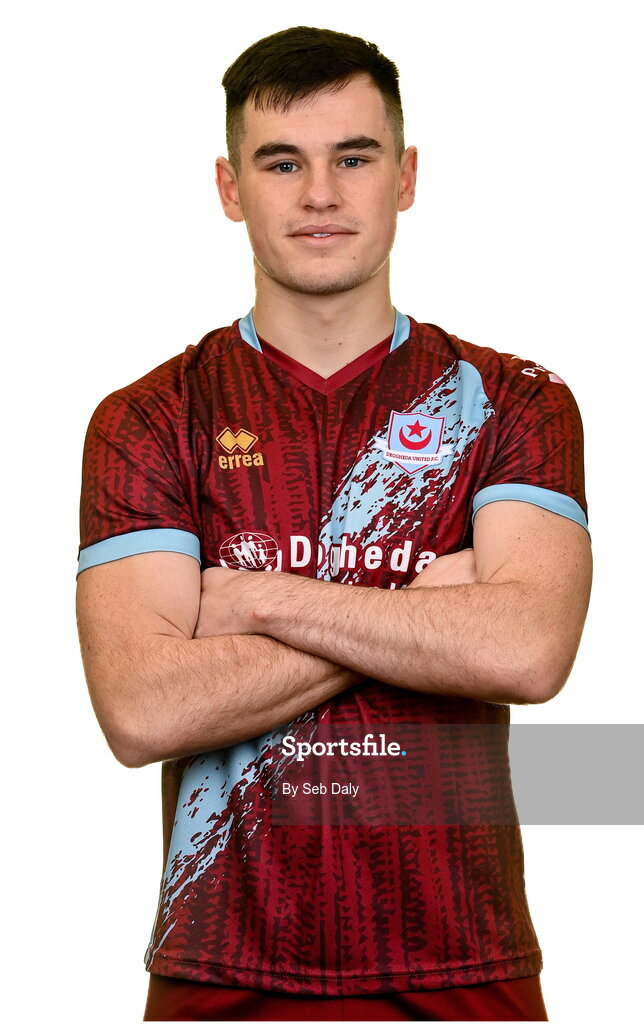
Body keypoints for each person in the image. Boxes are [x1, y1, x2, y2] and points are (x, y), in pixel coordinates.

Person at [76, 25, 591, 1023]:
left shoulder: (516, 402)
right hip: (221, 972)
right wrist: (430, 612)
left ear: (403, 176)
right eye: (283, 162)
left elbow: (527, 650)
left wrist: (257, 601)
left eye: (352, 158)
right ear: (230, 188)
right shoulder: (145, 418)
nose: (320, 194)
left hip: (462, 971)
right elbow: (141, 710)